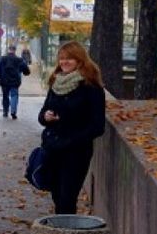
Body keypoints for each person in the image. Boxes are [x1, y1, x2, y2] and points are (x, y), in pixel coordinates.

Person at [37, 41, 106, 214]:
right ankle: (61, 227)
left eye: (69, 58)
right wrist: (46, 117)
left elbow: (98, 126)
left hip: (76, 153)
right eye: (61, 58)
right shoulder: (56, 82)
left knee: (67, 198)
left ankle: (66, 229)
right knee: (56, 195)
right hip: (52, 149)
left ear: (80, 60)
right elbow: (42, 114)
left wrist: (70, 136)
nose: (64, 62)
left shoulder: (91, 87)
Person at [0, 44, 30, 119]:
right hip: (15, 82)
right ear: (15, 50)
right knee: (14, 95)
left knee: (5, 96)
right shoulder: (19, 60)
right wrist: (26, 73)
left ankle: (5, 111)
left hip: (4, 82)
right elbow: (26, 69)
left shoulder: (2, 59)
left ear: (8, 50)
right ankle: (13, 112)